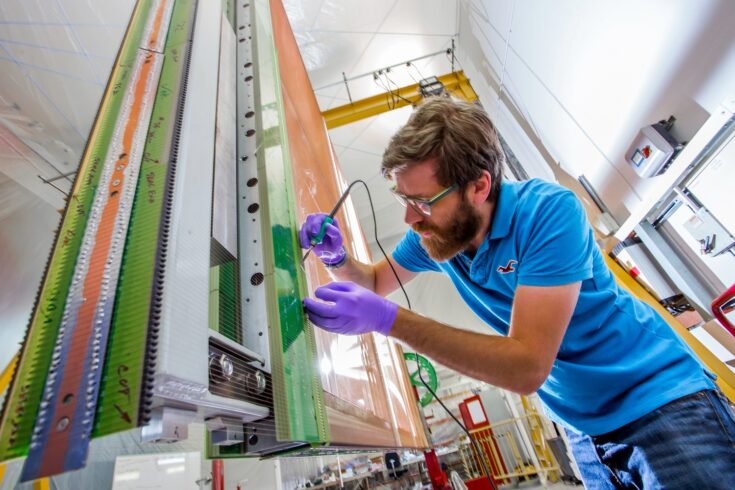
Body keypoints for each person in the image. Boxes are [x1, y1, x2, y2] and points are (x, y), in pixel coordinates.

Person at [299, 97, 735, 488]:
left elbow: (526, 366)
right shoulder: (435, 237)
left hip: (661, 403)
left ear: (480, 186)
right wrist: (337, 259)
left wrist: (389, 320)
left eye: (424, 201)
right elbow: (376, 281)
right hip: (582, 428)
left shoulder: (547, 213)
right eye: (402, 198)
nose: (411, 218)